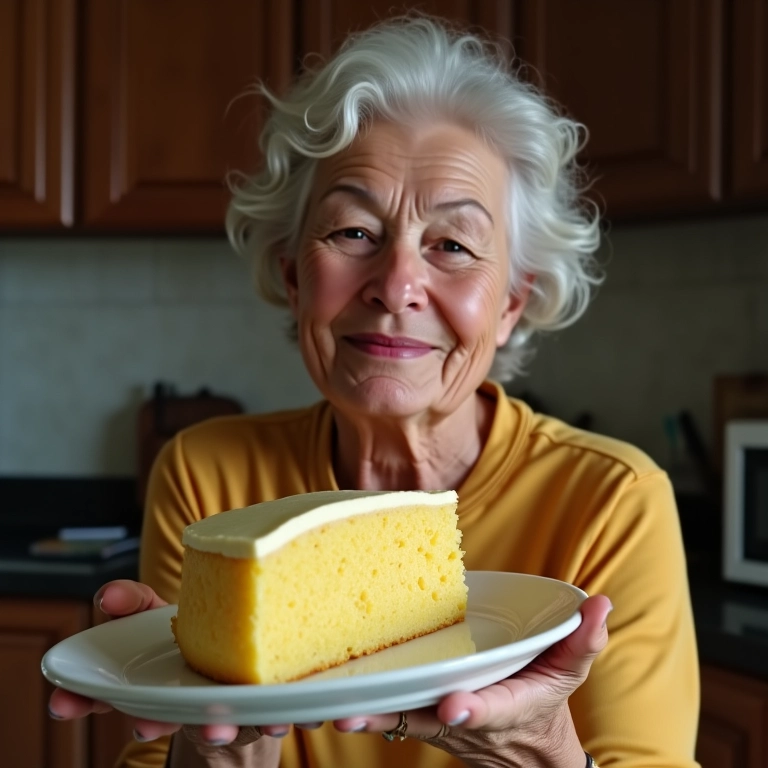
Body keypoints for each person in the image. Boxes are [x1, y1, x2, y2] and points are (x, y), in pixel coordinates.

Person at [48, 15, 700, 768]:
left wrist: (537, 751)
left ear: (511, 303)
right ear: (295, 277)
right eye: (353, 232)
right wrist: (219, 742)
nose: (396, 285)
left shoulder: (613, 501)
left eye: (452, 244)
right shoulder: (209, 478)